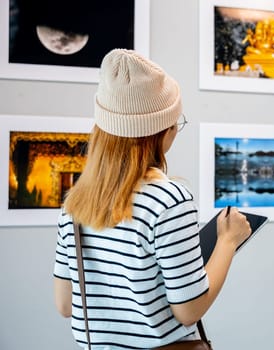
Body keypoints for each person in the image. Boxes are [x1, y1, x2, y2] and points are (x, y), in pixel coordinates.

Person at [53, 49, 251, 349]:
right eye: (175, 123)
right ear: (160, 132)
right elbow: (189, 311)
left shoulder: (74, 203)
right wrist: (227, 241)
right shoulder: (168, 200)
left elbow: (66, 305)